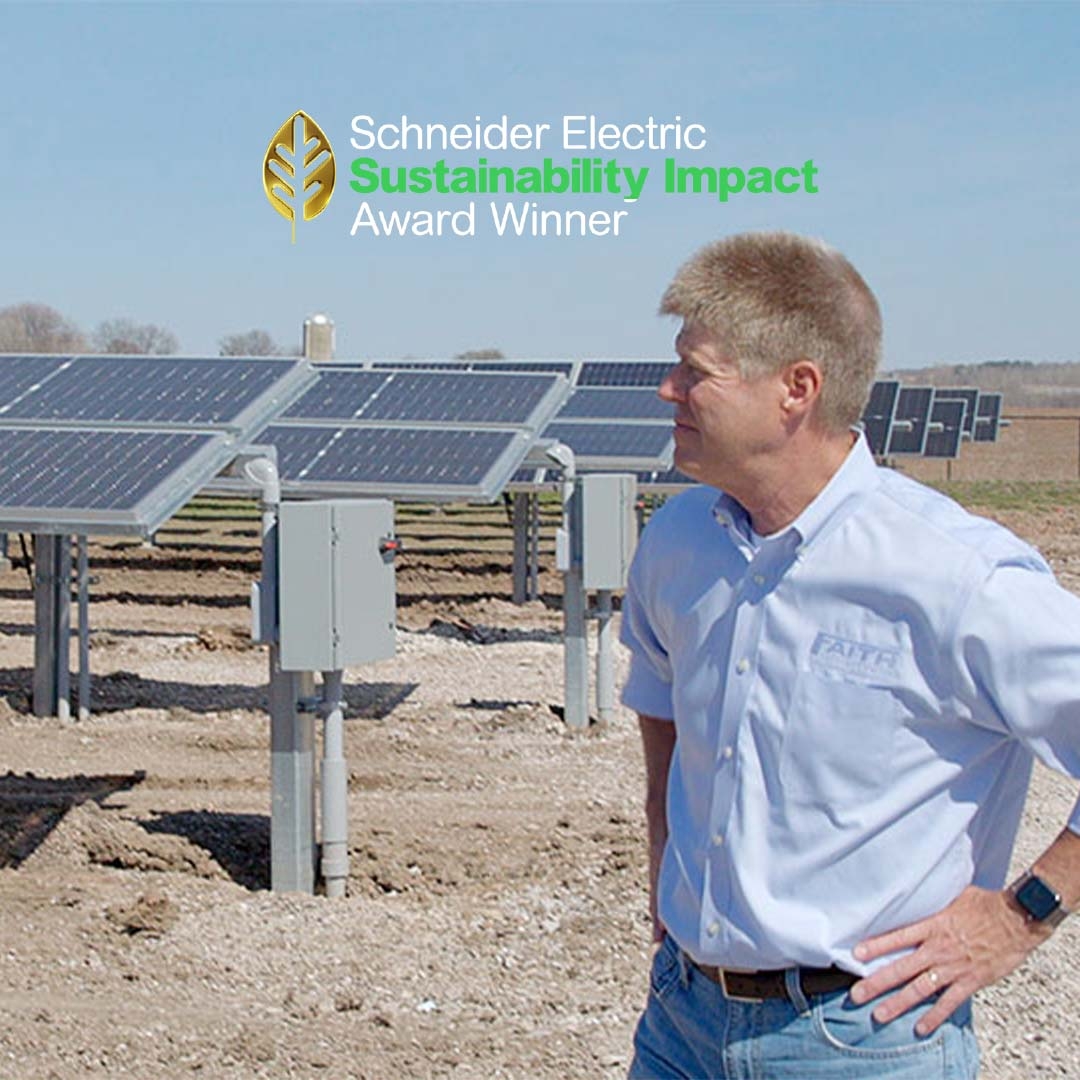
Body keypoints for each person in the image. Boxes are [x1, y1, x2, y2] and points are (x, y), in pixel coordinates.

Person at [619, 231, 1080, 1079]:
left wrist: (1024, 914)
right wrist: (665, 860)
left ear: (797, 388)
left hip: (863, 1038)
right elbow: (665, 705)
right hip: (681, 1021)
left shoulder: (953, 575)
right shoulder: (679, 541)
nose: (667, 388)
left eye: (697, 370)